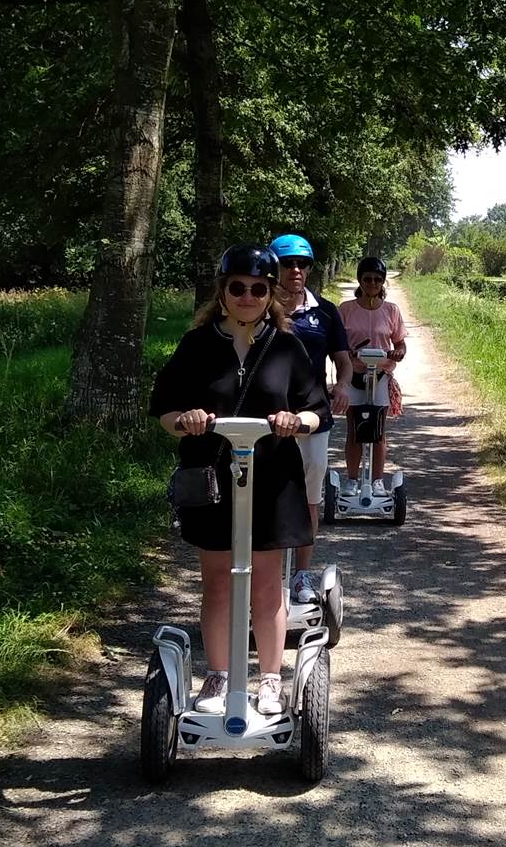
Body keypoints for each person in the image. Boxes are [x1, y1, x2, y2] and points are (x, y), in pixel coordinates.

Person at [148, 244, 330, 717]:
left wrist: (297, 422)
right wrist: (184, 420)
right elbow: (163, 408)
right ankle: (219, 675)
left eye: (257, 288)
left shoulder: (287, 346)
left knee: (268, 584)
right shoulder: (197, 346)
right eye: (237, 287)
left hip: (271, 480)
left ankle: (270, 678)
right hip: (213, 478)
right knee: (218, 581)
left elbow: (318, 409)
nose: (247, 296)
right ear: (222, 291)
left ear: (269, 293)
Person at [267, 233, 352, 606]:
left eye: (303, 264)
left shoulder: (325, 311)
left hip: (313, 417)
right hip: (265, 418)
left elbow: (343, 361)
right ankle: (265, 577)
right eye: (288, 264)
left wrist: (344, 386)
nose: (296, 271)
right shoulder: (260, 307)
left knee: (309, 497)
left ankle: (301, 573)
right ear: (275, 267)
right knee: (263, 495)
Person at [337, 256, 407, 496]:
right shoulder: (346, 310)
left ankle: (378, 481)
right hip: (353, 374)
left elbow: (400, 343)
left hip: (380, 376)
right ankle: (352, 479)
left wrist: (397, 352)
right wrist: (346, 352)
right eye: (367, 279)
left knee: (378, 430)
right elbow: (336, 344)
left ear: (383, 282)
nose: (372, 284)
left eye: (378, 279)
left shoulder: (391, 310)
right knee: (354, 429)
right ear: (360, 280)